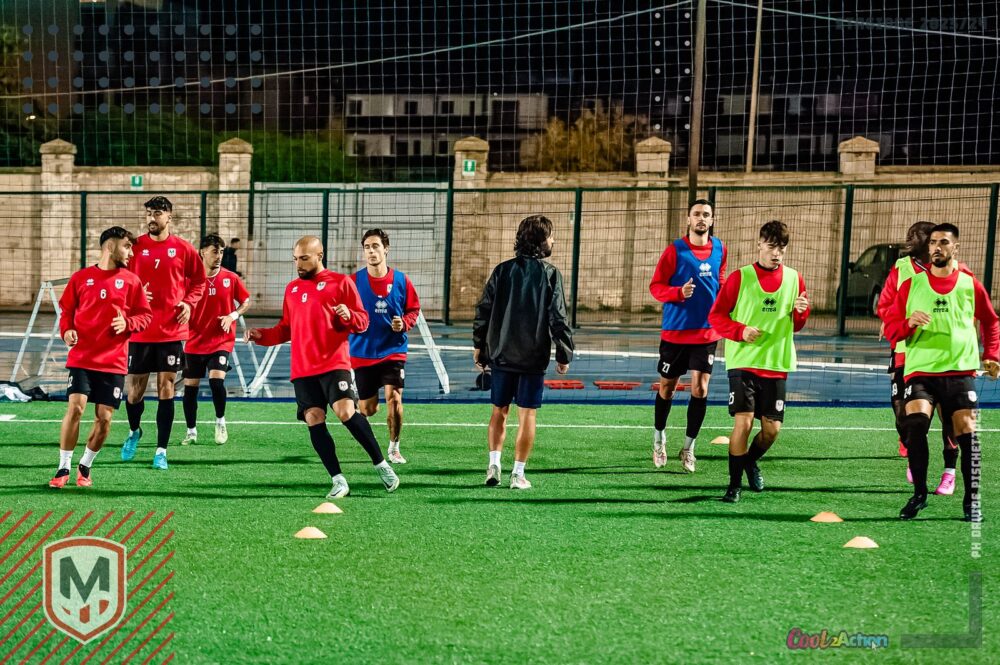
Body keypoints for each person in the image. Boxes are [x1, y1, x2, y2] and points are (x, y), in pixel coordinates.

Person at [245, 236, 399, 498]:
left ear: (320, 255)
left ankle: (381, 464)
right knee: (313, 418)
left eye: (304, 258)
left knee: (345, 412)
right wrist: (261, 335)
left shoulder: (341, 283)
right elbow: (286, 328)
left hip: (334, 362)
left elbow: (362, 322)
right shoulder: (292, 289)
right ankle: (338, 480)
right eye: (296, 259)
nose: (298, 264)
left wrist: (349, 315)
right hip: (303, 369)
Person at [883, 223, 999, 521]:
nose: (937, 247)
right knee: (915, 425)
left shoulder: (970, 284)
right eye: (933, 242)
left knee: (967, 434)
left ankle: (971, 501)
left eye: (944, 242)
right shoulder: (911, 285)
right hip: (921, 371)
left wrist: (992, 355)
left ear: (955, 248)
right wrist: (908, 322)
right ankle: (919, 494)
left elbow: (991, 321)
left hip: (959, 372)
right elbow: (891, 328)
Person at [707, 221, 810, 503]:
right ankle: (734, 486)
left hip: (776, 363)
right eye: (772, 246)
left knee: (772, 431)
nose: (776, 253)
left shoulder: (795, 279)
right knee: (743, 423)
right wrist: (740, 331)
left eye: (782, 248)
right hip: (743, 361)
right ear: (760, 244)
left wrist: (801, 312)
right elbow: (716, 316)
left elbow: (797, 324)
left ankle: (750, 461)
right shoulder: (740, 278)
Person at [473, 215, 575, 490]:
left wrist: (479, 346)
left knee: (499, 411)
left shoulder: (502, 271)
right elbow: (558, 317)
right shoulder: (550, 274)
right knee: (527, 415)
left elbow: (483, 310)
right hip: (532, 358)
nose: (553, 241)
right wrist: (564, 354)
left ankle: (494, 464)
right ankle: (518, 474)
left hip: (501, 354)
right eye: (550, 236)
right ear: (541, 241)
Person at [50, 227, 152, 488]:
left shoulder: (132, 281)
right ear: (110, 246)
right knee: (76, 408)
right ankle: (63, 467)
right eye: (127, 246)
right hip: (82, 358)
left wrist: (128, 323)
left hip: (113, 361)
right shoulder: (81, 278)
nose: (131, 253)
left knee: (104, 419)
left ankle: (85, 464)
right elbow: (66, 311)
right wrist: (67, 331)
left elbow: (145, 316)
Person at [121, 196, 207, 470]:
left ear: (169, 216)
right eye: (149, 213)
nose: (152, 217)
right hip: (140, 330)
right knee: (134, 392)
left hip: (171, 330)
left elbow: (199, 281)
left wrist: (189, 303)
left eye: (157, 213)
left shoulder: (183, 249)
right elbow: (118, 280)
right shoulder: (134, 248)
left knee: (166, 389)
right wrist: (133, 296)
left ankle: (161, 450)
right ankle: (134, 431)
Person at [876, 221, 958, 492]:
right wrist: (897, 322)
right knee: (903, 413)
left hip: (943, 357)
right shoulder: (902, 269)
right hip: (905, 351)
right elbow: (886, 306)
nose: (910, 239)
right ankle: (911, 447)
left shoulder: (955, 272)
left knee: (949, 417)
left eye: (917, 236)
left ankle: (949, 471)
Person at [648, 198, 727, 472]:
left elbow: (720, 278)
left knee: (700, 388)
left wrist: (727, 298)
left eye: (706, 214)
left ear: (712, 220)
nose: (701, 218)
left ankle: (689, 448)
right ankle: (659, 439)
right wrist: (678, 293)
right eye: (697, 214)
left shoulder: (720, 249)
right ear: (688, 219)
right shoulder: (675, 251)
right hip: (676, 333)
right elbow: (656, 287)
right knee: (667, 389)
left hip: (706, 332)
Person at [349, 229, 421, 464]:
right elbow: (341, 312)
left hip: (393, 350)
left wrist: (404, 323)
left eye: (375, 246)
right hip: (362, 352)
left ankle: (394, 448)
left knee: (394, 398)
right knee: (368, 410)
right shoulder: (353, 282)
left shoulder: (401, 281)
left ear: (386, 249)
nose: (371, 251)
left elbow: (413, 309)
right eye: (367, 247)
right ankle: (363, 404)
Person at [180, 234, 251, 446]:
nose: (218, 256)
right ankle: (191, 431)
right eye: (214, 252)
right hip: (194, 341)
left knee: (216, 381)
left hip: (221, 341)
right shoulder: (189, 280)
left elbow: (246, 301)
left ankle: (220, 421)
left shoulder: (230, 278)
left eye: (220, 252)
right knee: (190, 388)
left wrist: (232, 316)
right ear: (202, 252)